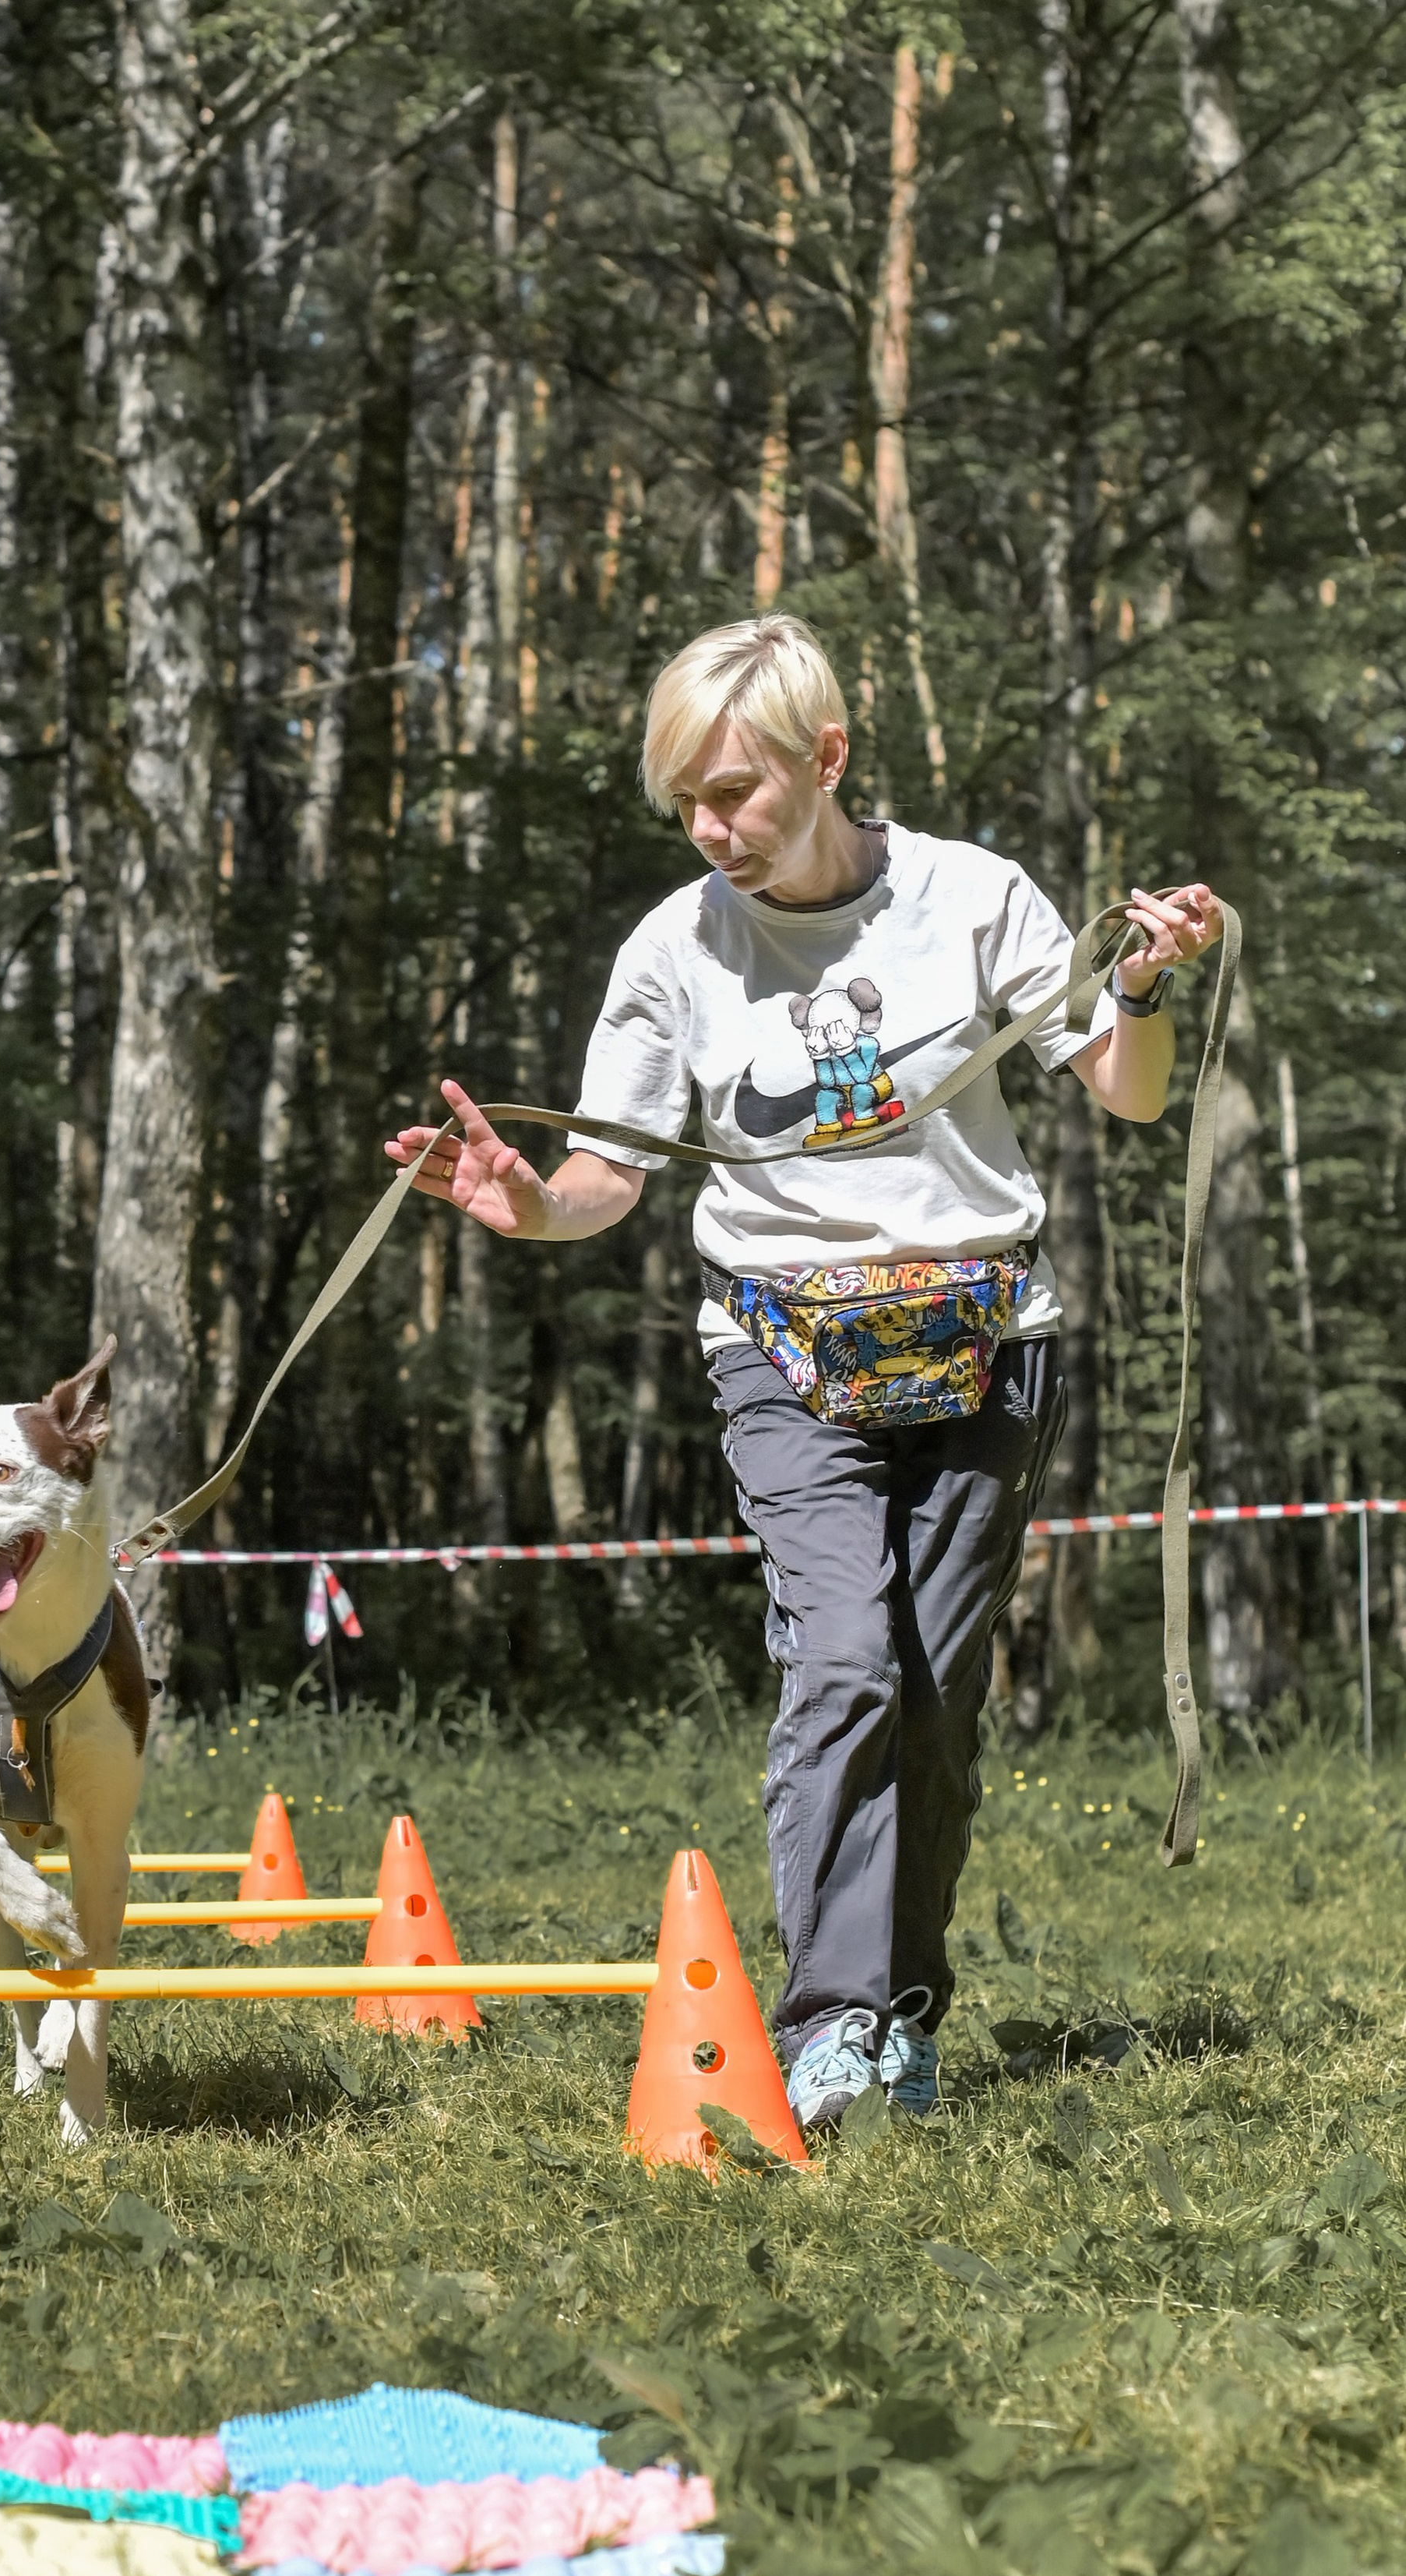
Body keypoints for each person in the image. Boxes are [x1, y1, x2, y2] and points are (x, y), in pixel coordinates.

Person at [387, 612, 1221, 2133]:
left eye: (735, 792)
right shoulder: (675, 948)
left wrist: (1147, 990)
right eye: (686, 805)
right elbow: (605, 1180)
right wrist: (525, 1203)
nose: (710, 830)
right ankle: (831, 2022)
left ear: (825, 756)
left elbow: (1127, 1092)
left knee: (935, 1699)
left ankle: (902, 2016)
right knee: (842, 1662)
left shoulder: (973, 897)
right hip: (779, 1349)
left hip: (984, 1345)